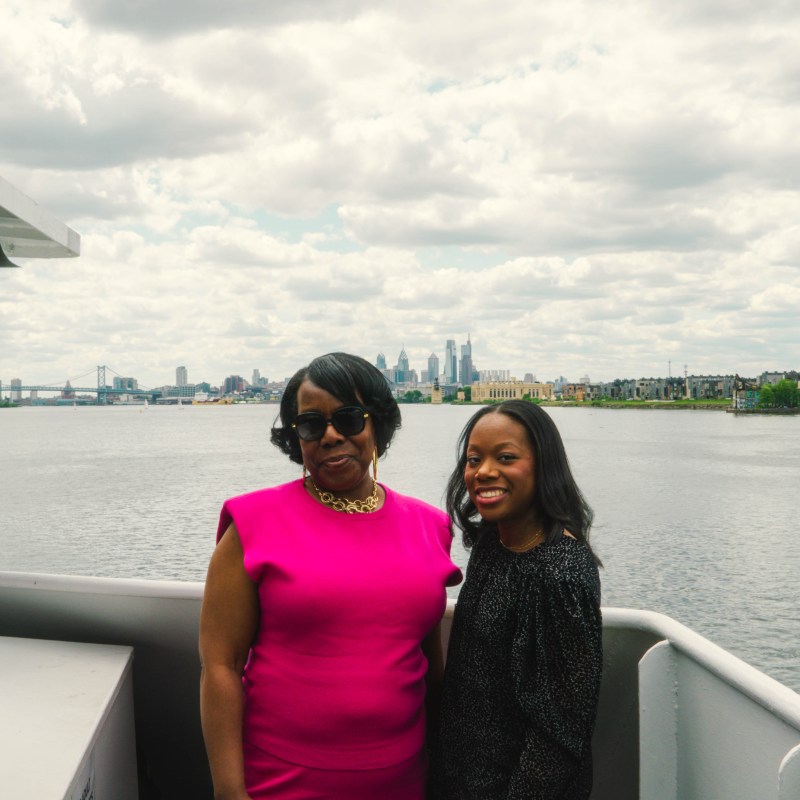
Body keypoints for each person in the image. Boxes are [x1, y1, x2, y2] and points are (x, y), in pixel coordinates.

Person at [199, 352, 461, 800]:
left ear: (377, 424)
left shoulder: (430, 526)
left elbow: (428, 662)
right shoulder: (252, 524)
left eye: (348, 418)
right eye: (311, 424)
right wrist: (229, 794)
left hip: (404, 783)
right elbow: (220, 666)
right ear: (295, 436)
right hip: (281, 783)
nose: (331, 435)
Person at [434, 400, 602, 799]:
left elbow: (558, 735)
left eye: (505, 457)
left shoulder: (559, 576)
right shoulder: (493, 543)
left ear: (544, 466)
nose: (483, 471)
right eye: (474, 459)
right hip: (461, 781)